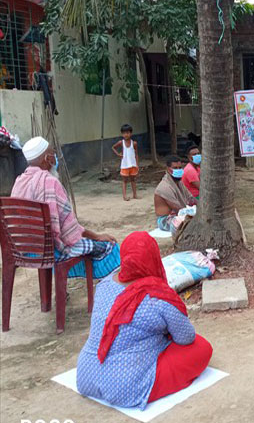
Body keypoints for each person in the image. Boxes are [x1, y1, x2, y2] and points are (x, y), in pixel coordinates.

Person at [76, 232, 212, 409]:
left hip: (86, 375)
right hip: (125, 387)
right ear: (155, 258)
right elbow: (186, 338)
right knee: (200, 348)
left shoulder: (104, 284)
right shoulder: (158, 296)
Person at [11, 136, 120, 279]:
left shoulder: (19, 182)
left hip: (24, 249)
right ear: (48, 158)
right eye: (53, 153)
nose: (55, 157)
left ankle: (63, 281)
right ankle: (106, 285)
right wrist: (98, 236)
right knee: (110, 247)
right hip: (50, 251)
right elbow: (69, 230)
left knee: (69, 242)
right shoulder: (50, 183)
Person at [154, 155, 196, 233]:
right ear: (168, 169)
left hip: (178, 214)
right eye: (175, 168)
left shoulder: (179, 183)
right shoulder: (164, 187)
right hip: (165, 220)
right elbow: (179, 208)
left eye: (180, 168)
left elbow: (190, 198)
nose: (179, 170)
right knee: (190, 223)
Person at [111, 124, 139, 201]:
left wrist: (137, 164)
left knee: (133, 180)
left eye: (127, 132)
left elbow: (136, 154)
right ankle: (124, 196)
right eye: (124, 133)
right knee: (124, 181)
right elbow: (113, 147)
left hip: (132, 164)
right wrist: (118, 154)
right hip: (125, 165)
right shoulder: (121, 142)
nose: (126, 135)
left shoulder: (134, 143)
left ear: (131, 133)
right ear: (122, 134)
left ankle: (135, 194)